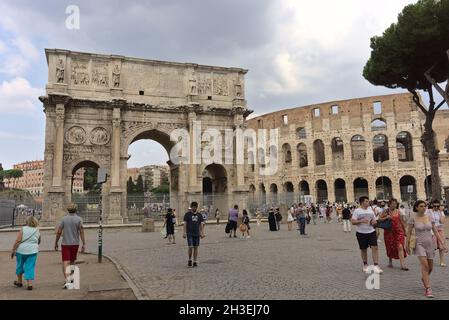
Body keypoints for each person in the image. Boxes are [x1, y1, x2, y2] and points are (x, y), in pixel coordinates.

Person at [405, 200, 448, 298]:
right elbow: (408, 233)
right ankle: (428, 288)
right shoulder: (413, 218)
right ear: (416, 207)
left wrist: (443, 243)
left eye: (425, 206)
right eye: (421, 206)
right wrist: (406, 244)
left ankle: (424, 278)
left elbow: (436, 231)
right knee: (425, 265)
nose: (424, 208)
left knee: (430, 267)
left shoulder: (429, 217)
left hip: (430, 243)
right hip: (419, 243)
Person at [54, 203, 85, 289]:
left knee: (65, 262)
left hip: (65, 244)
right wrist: (84, 243)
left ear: (68, 210)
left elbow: (59, 232)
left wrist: (56, 242)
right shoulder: (79, 219)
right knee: (72, 261)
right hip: (75, 243)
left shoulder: (63, 219)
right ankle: (71, 278)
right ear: (76, 210)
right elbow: (81, 232)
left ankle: (68, 280)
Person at [351, 196, 383, 274]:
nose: (368, 202)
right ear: (362, 202)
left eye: (368, 201)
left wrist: (374, 222)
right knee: (363, 249)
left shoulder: (371, 210)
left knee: (375, 247)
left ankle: (376, 265)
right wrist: (361, 221)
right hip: (361, 233)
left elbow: (374, 219)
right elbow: (353, 222)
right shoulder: (357, 211)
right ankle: (365, 264)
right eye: (366, 201)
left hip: (371, 231)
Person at [10, 216, 41, 290]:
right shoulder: (37, 230)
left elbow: (18, 241)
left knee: (20, 265)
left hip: (21, 250)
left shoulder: (23, 229)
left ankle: (19, 282)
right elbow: (39, 241)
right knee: (30, 266)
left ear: (27, 222)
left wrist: (13, 250)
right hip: (33, 251)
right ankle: (29, 284)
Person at [378, 199, 408, 270]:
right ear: (389, 204)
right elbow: (379, 219)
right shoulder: (386, 211)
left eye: (395, 204)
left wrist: (405, 231)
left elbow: (402, 221)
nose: (394, 205)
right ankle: (390, 260)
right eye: (392, 203)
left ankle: (402, 265)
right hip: (389, 232)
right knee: (390, 246)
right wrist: (386, 217)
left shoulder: (398, 211)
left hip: (398, 231)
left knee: (400, 246)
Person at [183, 202, 205, 267]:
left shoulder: (199, 215)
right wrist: (184, 232)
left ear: (197, 207)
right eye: (193, 207)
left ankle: (195, 261)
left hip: (197, 233)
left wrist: (202, 233)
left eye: (195, 207)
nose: (194, 208)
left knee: (196, 247)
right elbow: (185, 224)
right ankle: (189, 259)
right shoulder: (187, 214)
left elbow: (201, 224)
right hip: (189, 233)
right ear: (191, 207)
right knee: (190, 247)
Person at [427, 199, 446, 267]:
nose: (436, 207)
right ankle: (429, 259)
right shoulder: (428, 211)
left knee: (441, 247)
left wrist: (441, 212)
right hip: (432, 230)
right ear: (432, 205)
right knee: (433, 247)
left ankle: (442, 261)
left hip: (440, 229)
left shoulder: (440, 212)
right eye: (435, 206)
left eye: (438, 206)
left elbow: (442, 222)